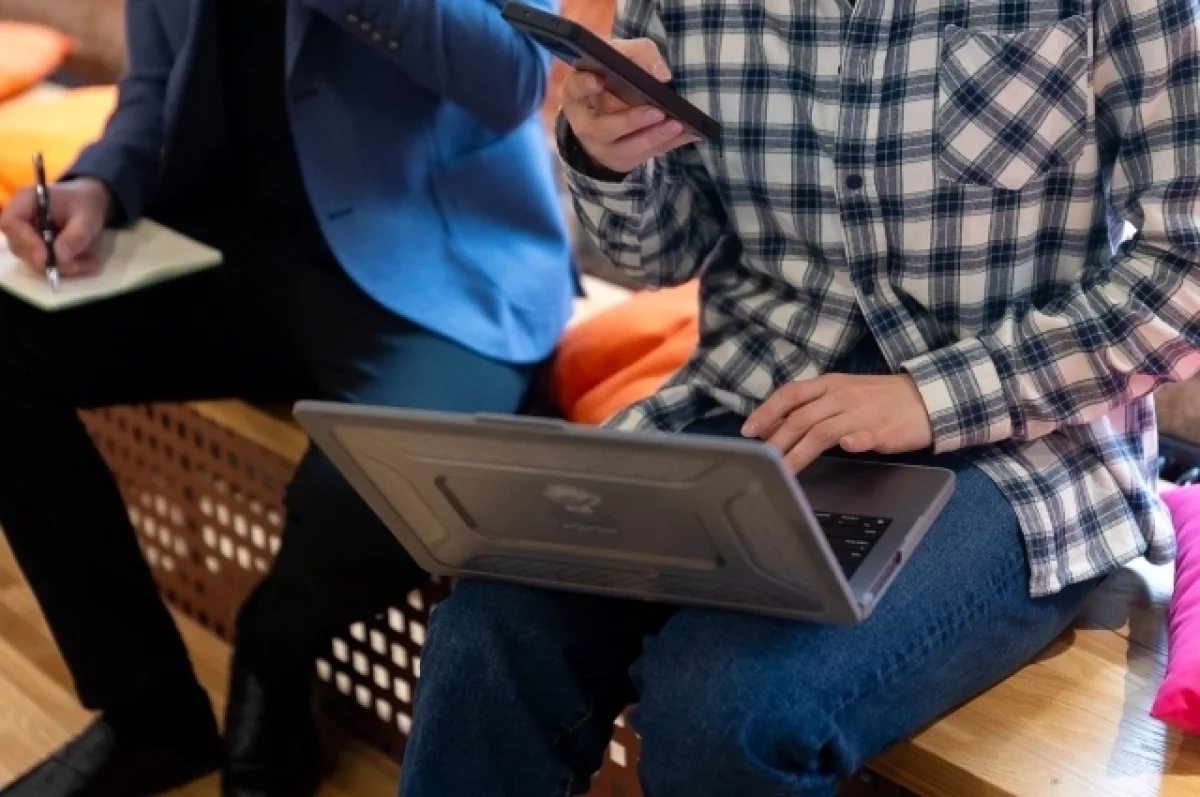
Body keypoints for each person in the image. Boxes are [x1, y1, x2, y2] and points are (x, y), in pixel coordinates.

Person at [397, 0, 1200, 792]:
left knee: (727, 707)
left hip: (1025, 450)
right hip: (756, 402)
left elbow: (1184, 267)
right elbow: (661, 253)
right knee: (489, 628)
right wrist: (607, 157)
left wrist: (932, 396)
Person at [0, 0, 573, 795]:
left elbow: (514, 79)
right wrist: (98, 182)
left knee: (384, 479)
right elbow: (155, 84)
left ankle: (273, 653)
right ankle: (148, 711)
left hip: (437, 260)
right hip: (227, 247)